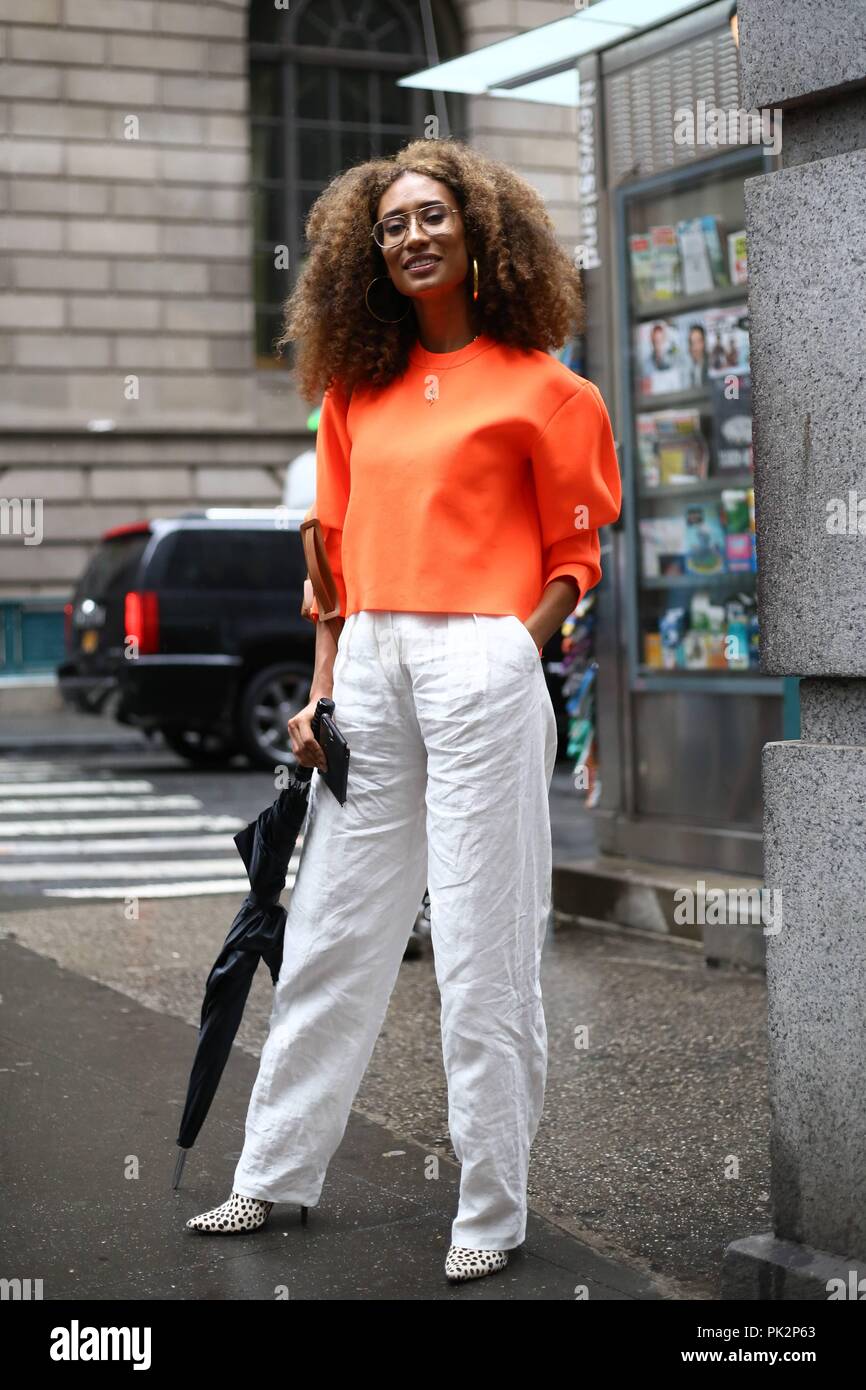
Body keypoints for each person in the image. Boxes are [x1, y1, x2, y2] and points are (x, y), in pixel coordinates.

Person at [186, 138, 621, 1284]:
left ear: (479, 233)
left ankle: (490, 1207)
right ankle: (270, 1177)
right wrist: (321, 689)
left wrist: (510, 652)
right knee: (330, 932)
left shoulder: (548, 389)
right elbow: (324, 564)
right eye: (390, 225)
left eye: (431, 215)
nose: (411, 235)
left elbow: (577, 554)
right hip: (369, 657)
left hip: (482, 655)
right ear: (366, 255)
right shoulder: (353, 394)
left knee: (482, 947)